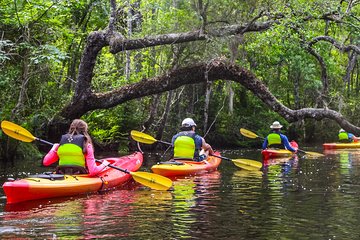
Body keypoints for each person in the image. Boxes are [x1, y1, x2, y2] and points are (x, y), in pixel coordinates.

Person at [43, 119, 110, 176]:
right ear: (84, 131)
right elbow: (93, 171)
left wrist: (53, 148)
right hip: (79, 175)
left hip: (61, 174)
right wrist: (104, 164)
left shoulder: (59, 145)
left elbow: (46, 162)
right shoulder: (87, 145)